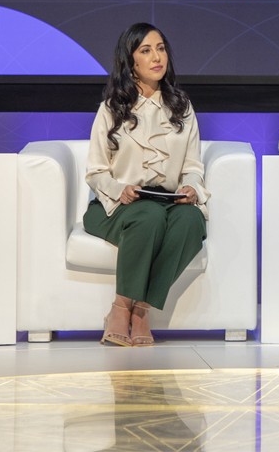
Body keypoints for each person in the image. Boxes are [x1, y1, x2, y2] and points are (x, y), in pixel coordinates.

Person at [84, 23, 209, 347]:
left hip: (168, 202)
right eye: (146, 50)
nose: (157, 57)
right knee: (148, 216)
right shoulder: (113, 108)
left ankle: (141, 309)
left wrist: (191, 187)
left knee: (193, 220)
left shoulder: (181, 106)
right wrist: (117, 189)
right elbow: (96, 171)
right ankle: (122, 308)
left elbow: (193, 166)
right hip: (116, 206)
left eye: (161, 48)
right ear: (131, 61)